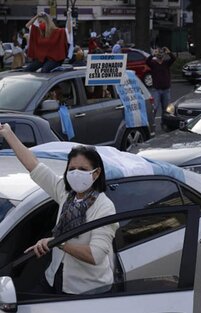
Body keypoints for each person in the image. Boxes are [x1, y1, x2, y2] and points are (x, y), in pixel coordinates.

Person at [0, 123, 117, 295]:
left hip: (86, 290)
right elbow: (33, 164)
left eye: (83, 169)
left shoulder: (104, 207)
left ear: (96, 173)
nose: (76, 173)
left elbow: (95, 255)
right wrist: (8, 133)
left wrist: (56, 243)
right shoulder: (65, 193)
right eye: (72, 169)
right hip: (54, 276)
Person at [146, 47, 176, 125]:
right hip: (157, 89)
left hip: (166, 89)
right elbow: (147, 61)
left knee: (166, 108)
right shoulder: (153, 64)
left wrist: (169, 52)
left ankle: (165, 123)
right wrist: (152, 54)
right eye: (159, 55)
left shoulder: (166, 63)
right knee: (154, 107)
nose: (160, 56)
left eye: (162, 55)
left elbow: (173, 58)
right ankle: (151, 123)